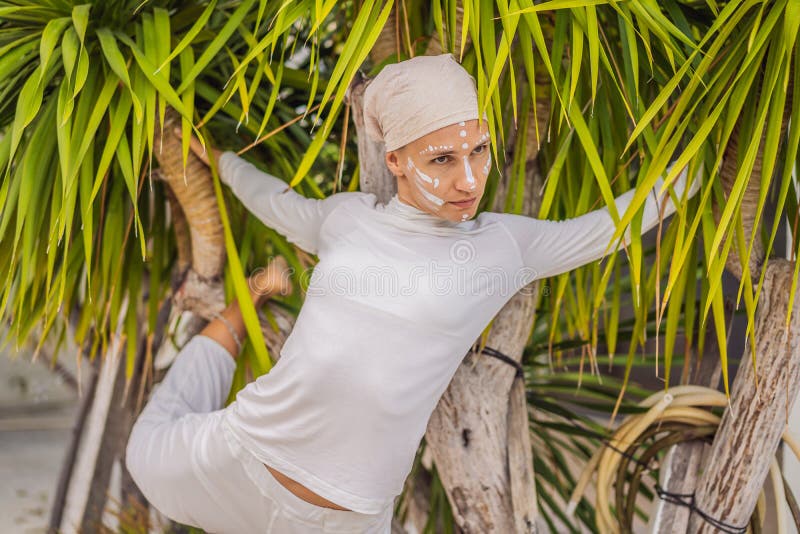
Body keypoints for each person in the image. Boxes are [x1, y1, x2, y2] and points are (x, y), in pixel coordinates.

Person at [125, 54, 700, 534]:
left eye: (478, 150)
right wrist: (217, 159)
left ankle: (250, 295)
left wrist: (706, 159)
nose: (469, 180)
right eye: (443, 160)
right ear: (395, 161)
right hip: (237, 460)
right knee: (148, 442)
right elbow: (274, 202)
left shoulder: (503, 247)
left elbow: (608, 226)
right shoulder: (345, 219)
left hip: (347, 520)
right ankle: (242, 302)